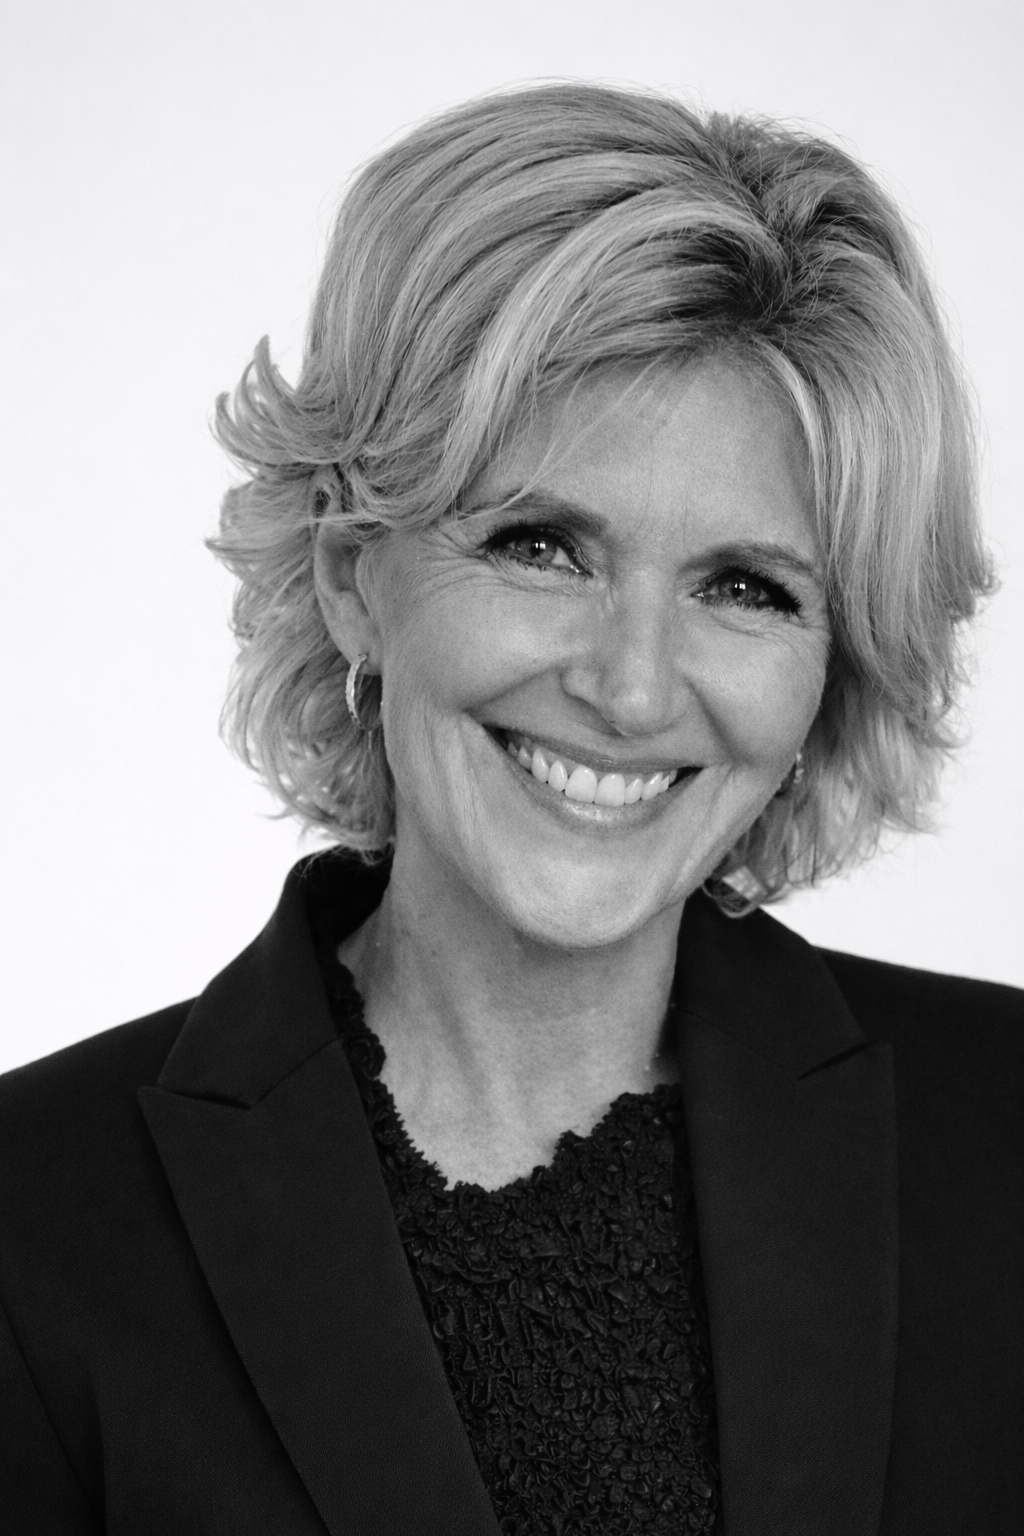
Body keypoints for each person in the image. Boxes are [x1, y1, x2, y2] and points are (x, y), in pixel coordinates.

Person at [1, 82, 1020, 1536]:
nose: (630, 687)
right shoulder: (35, 1222)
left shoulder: (1005, 1139)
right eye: (541, 546)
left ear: (831, 669)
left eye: (746, 588)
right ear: (356, 571)